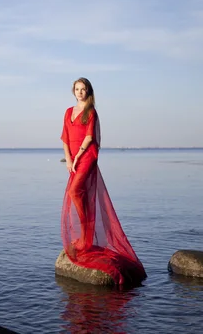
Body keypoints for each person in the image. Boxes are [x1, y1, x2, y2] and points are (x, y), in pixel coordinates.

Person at [60, 77, 146, 286]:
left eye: (83, 89)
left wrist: (78, 157)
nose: (80, 92)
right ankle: (86, 235)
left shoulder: (91, 112)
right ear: (74, 91)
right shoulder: (68, 112)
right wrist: (69, 159)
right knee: (79, 194)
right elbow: (64, 137)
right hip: (74, 158)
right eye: (77, 89)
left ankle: (85, 235)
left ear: (88, 91)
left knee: (74, 192)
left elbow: (89, 137)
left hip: (87, 155)